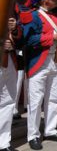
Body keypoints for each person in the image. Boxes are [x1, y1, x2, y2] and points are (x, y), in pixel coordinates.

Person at [21, 0, 57, 150]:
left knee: (53, 97)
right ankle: (33, 135)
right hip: (39, 61)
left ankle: (50, 129)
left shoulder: (56, 18)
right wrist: (52, 36)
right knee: (35, 101)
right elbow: (28, 40)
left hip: (55, 61)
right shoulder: (32, 16)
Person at [0, 17, 20, 151]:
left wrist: (14, 30)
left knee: (8, 102)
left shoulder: (12, 6)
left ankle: (3, 142)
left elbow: (24, 40)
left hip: (10, 60)